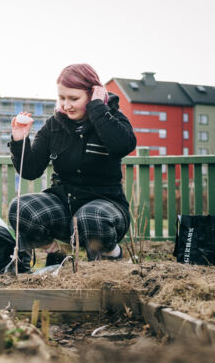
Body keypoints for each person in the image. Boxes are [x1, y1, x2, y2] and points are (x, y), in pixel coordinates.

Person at [7, 63, 137, 269]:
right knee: (21, 208)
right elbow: (30, 171)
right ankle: (58, 254)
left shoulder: (111, 118)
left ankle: (111, 256)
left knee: (89, 217)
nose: (66, 105)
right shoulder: (54, 125)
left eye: (74, 99)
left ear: (93, 94)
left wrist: (97, 109)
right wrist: (20, 140)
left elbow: (123, 145)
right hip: (63, 205)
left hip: (104, 209)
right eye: (62, 98)